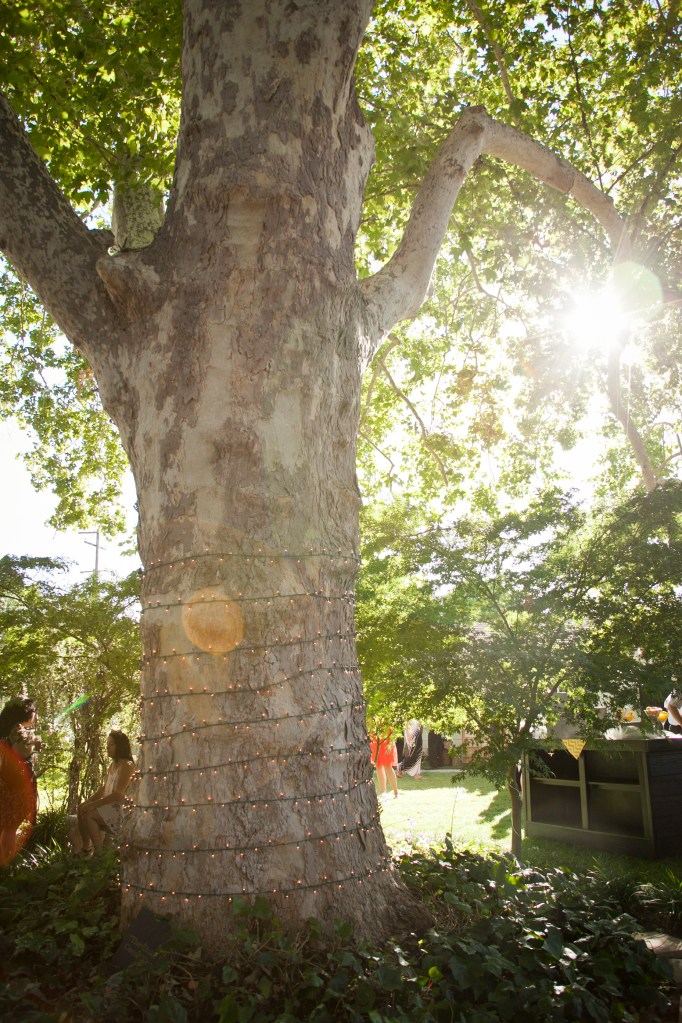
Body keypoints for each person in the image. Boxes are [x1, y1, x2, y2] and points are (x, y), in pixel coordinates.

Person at [71, 730, 135, 857]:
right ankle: (86, 848)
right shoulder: (113, 765)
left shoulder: (127, 765)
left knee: (89, 814)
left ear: (120, 746)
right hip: (110, 806)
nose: (107, 747)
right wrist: (88, 802)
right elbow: (105, 788)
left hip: (121, 810)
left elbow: (118, 794)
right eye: (107, 744)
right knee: (82, 808)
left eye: (111, 744)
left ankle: (99, 854)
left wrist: (93, 805)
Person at [0, 696, 43, 864]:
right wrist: (34, 746)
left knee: (5, 824)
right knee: (11, 825)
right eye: (34, 712)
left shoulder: (5, 728)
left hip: (5, 782)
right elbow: (20, 752)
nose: (35, 716)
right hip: (15, 785)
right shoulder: (17, 729)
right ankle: (6, 861)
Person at [370, 728, 399, 799]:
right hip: (375, 740)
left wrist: (391, 743)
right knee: (378, 766)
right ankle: (383, 792)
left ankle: (396, 792)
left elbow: (395, 729)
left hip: (387, 739)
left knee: (388, 766)